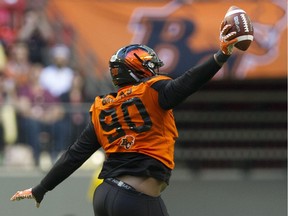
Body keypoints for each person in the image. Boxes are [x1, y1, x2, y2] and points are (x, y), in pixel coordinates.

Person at [10, 22, 239, 216]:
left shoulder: (103, 107)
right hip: (135, 198)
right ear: (138, 68)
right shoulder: (152, 92)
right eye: (150, 65)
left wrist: (41, 188)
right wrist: (221, 55)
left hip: (106, 195)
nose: (154, 70)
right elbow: (188, 82)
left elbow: (74, 155)